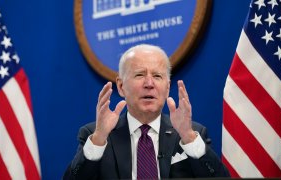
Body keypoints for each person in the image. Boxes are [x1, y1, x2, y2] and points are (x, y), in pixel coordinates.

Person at [63, 44, 230, 179]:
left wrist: (188, 137)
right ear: (121, 86)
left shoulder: (192, 133)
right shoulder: (95, 135)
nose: (149, 83)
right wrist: (99, 139)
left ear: (167, 87)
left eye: (157, 76)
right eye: (140, 75)